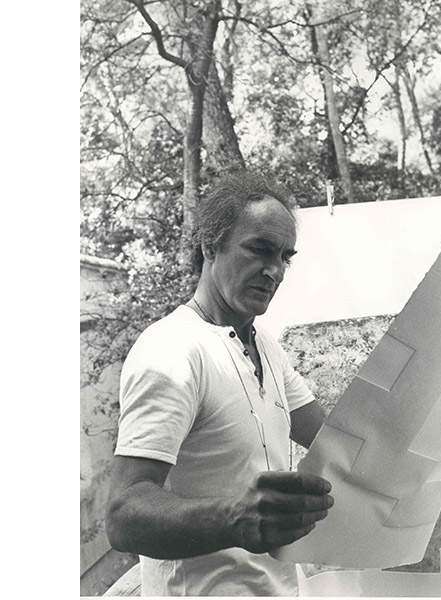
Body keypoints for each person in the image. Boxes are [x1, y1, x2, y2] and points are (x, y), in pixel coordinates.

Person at [105, 172, 334, 596]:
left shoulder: (264, 345)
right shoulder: (172, 349)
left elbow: (333, 440)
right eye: (260, 250)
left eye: (286, 257)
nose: (275, 271)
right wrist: (234, 516)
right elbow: (123, 514)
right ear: (210, 245)